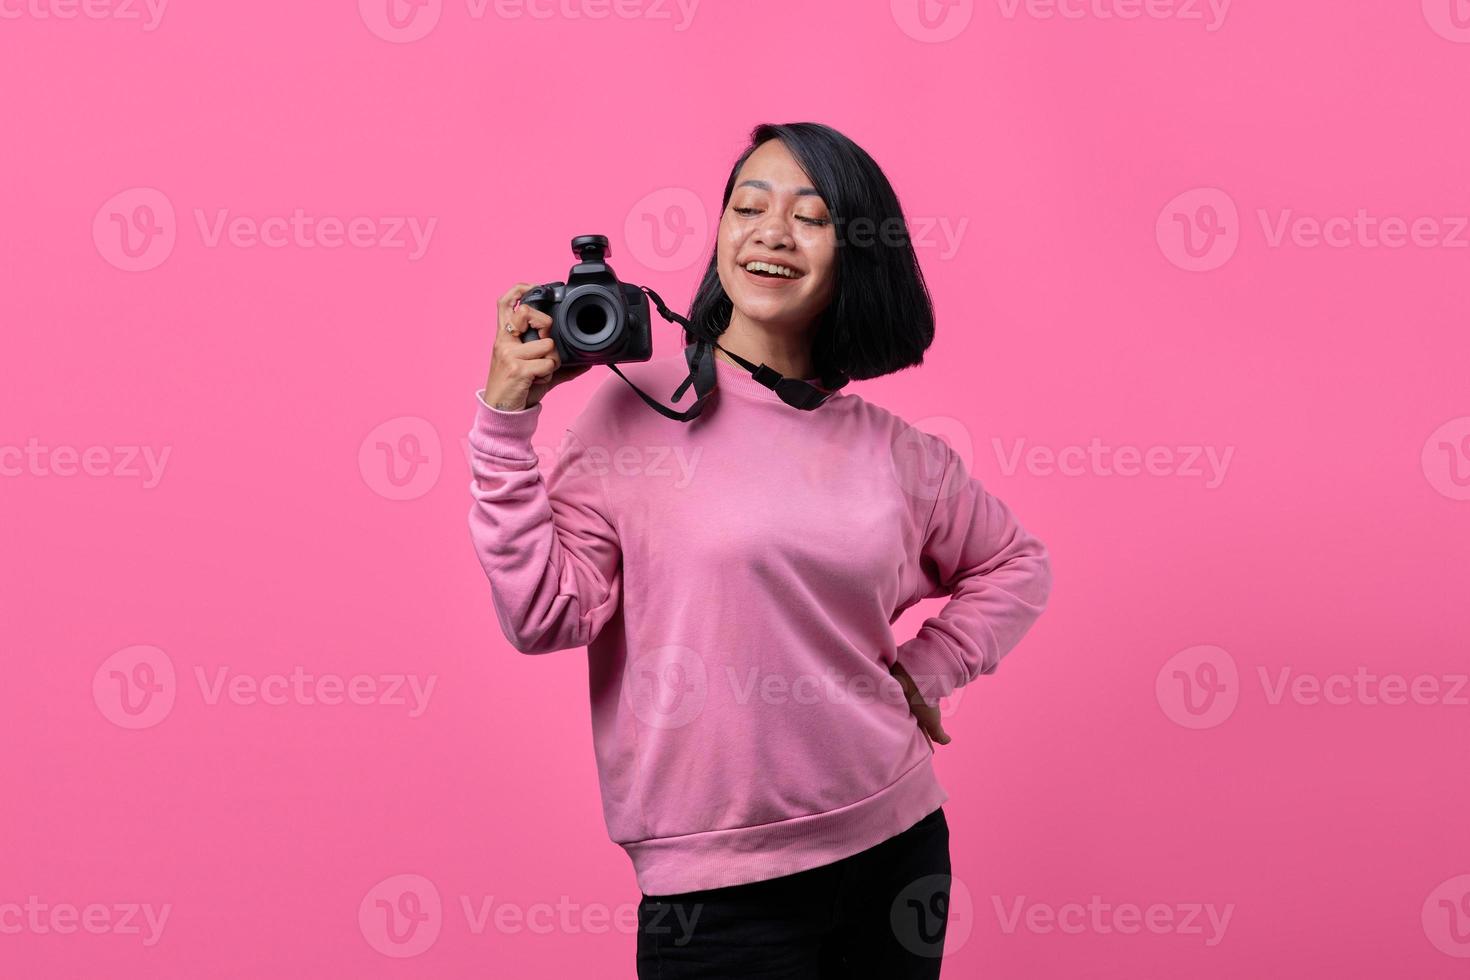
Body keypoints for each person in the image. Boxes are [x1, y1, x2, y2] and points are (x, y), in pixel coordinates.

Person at [467, 121, 1053, 979]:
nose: (772, 232)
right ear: (721, 236)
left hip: (896, 844)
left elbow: (1017, 563)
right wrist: (503, 424)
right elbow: (542, 615)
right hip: (712, 887)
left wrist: (930, 670)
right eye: (748, 206)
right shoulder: (631, 413)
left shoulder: (895, 451)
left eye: (811, 217)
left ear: (857, 255)